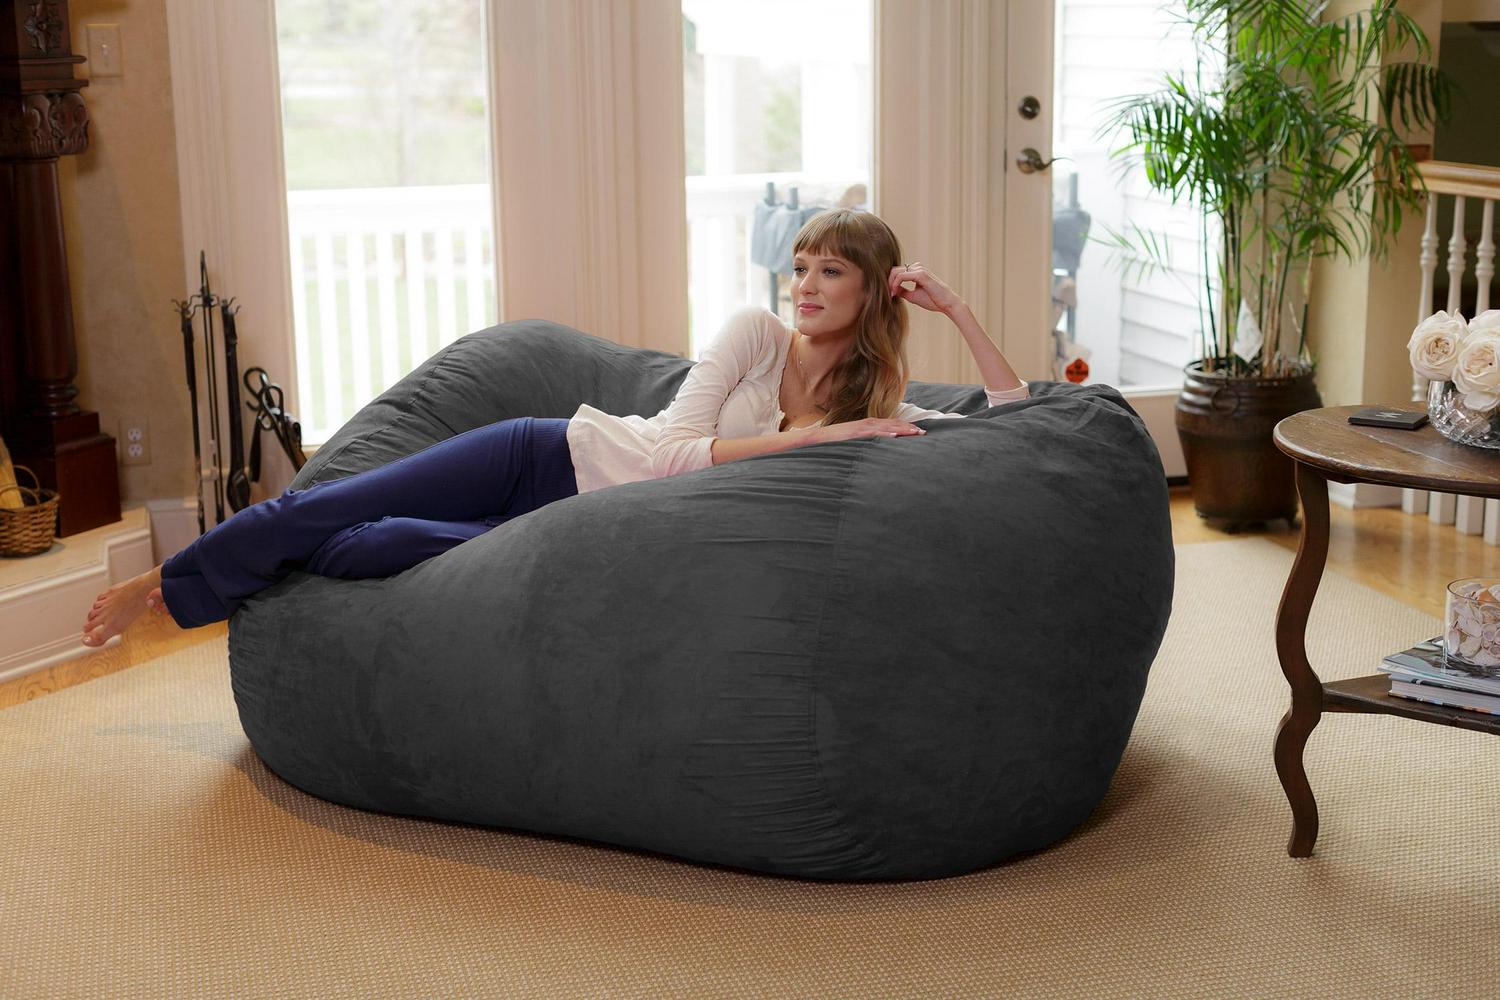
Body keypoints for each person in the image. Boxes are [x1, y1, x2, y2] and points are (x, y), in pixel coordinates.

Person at [80, 208, 1028, 647]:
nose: (806, 286)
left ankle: (251, 577)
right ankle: (160, 582)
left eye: (831, 272)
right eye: (802, 267)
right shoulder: (754, 335)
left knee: (366, 549)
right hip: (546, 456)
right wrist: (801, 440)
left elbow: (1015, 420)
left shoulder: (872, 408)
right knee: (331, 502)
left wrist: (955, 310)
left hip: (576, 528)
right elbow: (667, 454)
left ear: (873, 290)